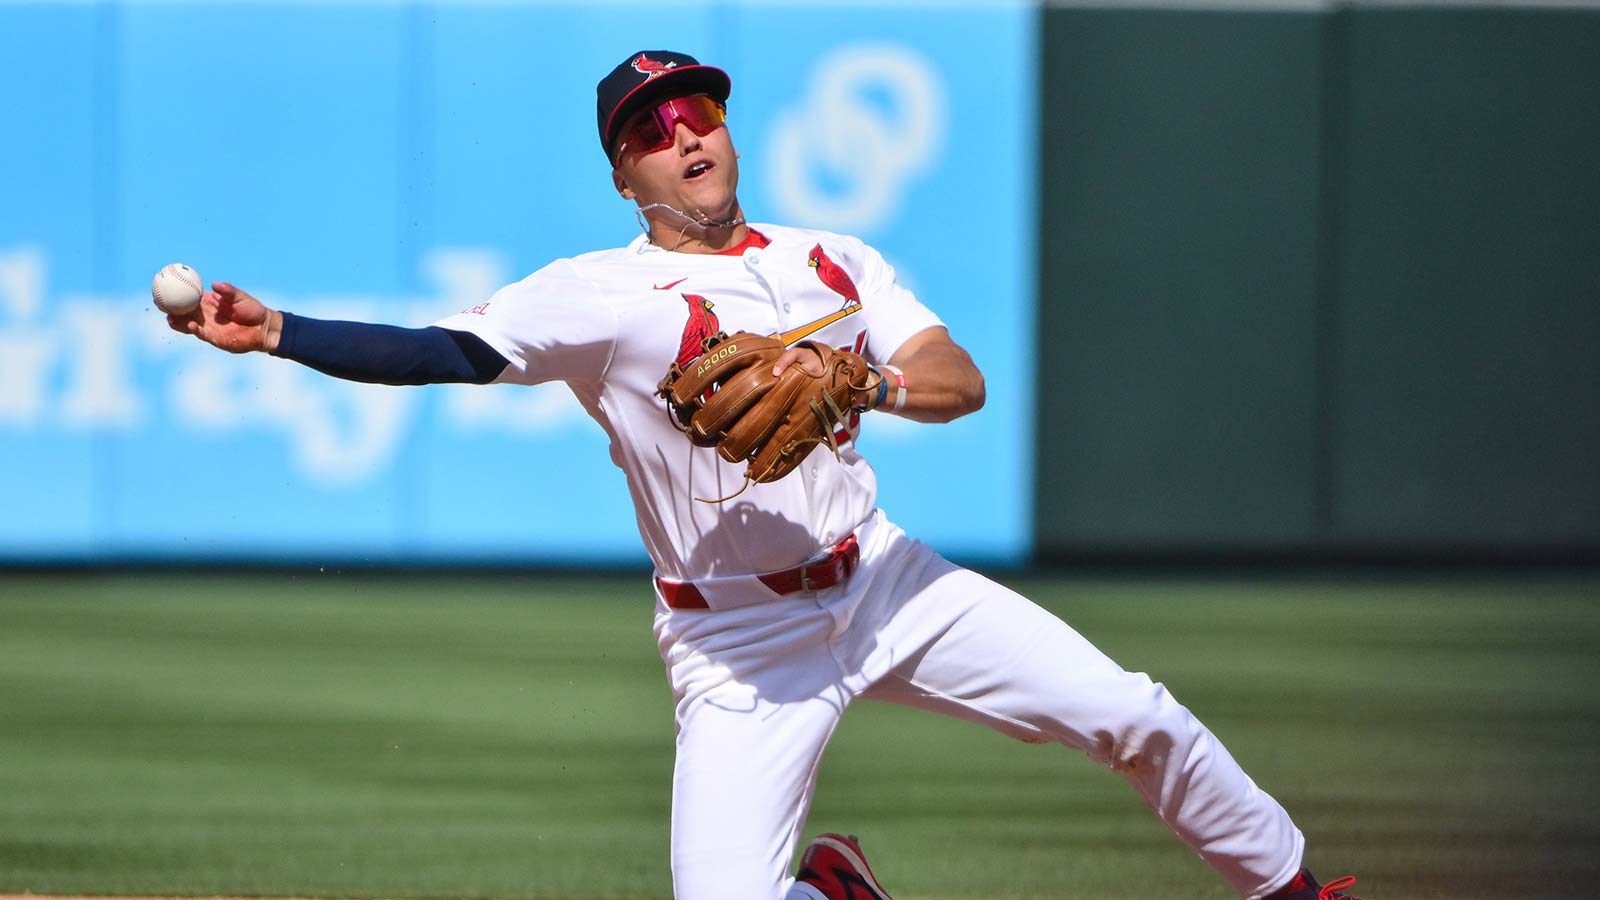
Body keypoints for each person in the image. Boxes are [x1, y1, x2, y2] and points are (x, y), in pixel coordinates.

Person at [169, 50, 1365, 900]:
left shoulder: (833, 258)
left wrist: (873, 386)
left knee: (1130, 711)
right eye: (650, 130)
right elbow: (442, 349)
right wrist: (278, 329)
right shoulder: (593, 291)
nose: (682, 134)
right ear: (624, 179)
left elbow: (955, 376)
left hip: (888, 583)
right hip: (736, 644)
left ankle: (1292, 890)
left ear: (730, 133)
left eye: (697, 112)